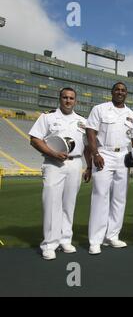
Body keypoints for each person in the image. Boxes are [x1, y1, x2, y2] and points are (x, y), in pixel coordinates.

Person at [29, 87, 91, 260]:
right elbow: (34, 139)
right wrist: (52, 153)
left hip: (75, 163)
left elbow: (86, 147)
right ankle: (49, 244)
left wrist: (89, 167)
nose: (68, 100)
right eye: (65, 97)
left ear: (75, 101)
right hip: (53, 163)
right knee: (51, 203)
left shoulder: (82, 121)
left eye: (71, 98)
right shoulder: (48, 117)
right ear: (60, 99)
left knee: (69, 204)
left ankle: (65, 239)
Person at [85, 82, 133, 255]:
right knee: (100, 195)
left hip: (123, 156)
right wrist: (95, 154)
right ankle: (95, 240)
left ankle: (112, 236)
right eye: (117, 89)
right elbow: (90, 132)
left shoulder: (132, 115)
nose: (120, 92)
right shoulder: (100, 109)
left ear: (127, 94)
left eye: (123, 90)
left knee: (119, 198)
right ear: (112, 92)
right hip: (104, 154)